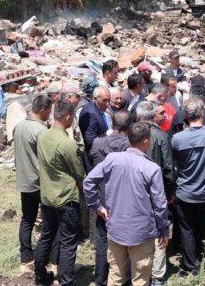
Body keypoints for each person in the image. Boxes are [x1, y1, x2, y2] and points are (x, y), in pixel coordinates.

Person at [83, 122, 170, 286]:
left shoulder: (112, 159)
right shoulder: (152, 168)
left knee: (115, 277)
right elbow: (160, 205)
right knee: (140, 279)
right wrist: (164, 230)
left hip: (116, 228)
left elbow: (88, 182)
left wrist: (98, 207)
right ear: (146, 141)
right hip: (142, 233)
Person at [34, 101, 86, 286]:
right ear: (67, 117)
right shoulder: (67, 144)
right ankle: (66, 281)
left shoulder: (43, 137)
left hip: (47, 196)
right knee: (68, 242)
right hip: (65, 198)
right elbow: (79, 173)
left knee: (46, 235)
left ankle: (39, 276)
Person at [171, 97, 205, 275]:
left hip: (185, 191)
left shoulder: (177, 139)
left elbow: (175, 161)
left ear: (185, 115)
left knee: (187, 230)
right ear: (202, 113)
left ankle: (191, 265)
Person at [87, 110, 132, 286]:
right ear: (129, 127)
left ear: (112, 124)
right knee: (124, 244)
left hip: (102, 200)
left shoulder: (98, 144)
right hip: (124, 202)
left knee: (102, 242)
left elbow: (92, 167)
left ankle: (100, 279)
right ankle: (123, 278)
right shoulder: (130, 147)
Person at [12, 95, 52, 273]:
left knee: (27, 219)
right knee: (50, 220)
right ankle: (47, 257)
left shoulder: (18, 127)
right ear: (42, 110)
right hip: (40, 182)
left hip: (24, 180)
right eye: (49, 111)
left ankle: (26, 259)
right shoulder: (41, 131)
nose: (50, 115)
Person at [78, 86, 110, 171]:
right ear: (94, 99)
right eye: (104, 100)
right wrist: (108, 135)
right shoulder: (91, 113)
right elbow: (90, 141)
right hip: (94, 161)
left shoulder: (96, 109)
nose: (107, 103)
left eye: (109, 100)